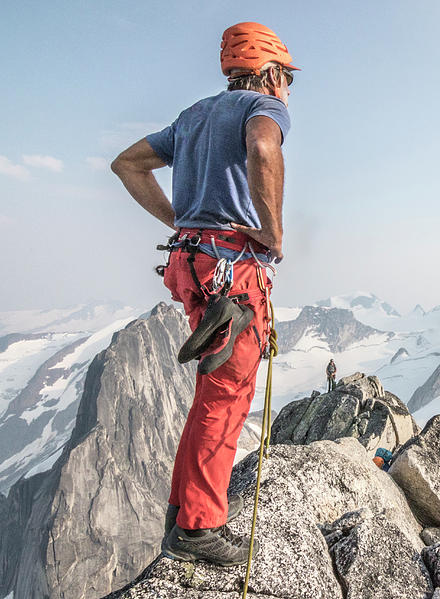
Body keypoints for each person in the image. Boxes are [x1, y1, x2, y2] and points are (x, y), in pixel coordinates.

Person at [111, 22, 298, 566]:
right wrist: (274, 231)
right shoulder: (263, 106)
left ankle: (185, 511)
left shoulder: (193, 116)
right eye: (285, 79)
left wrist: (182, 220)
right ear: (267, 72)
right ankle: (197, 529)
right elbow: (264, 147)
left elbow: (127, 164)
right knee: (227, 395)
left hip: (192, 265)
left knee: (211, 390)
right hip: (233, 271)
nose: (287, 91)